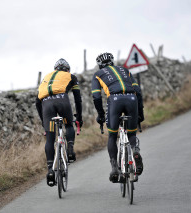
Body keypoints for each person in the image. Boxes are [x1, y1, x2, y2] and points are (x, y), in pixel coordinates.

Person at [91, 52, 144, 183]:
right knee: (132, 133)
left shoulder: (98, 75)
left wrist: (101, 115)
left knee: (112, 135)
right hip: (132, 98)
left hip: (114, 100)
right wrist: (140, 114)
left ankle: (115, 168)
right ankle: (135, 151)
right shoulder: (125, 70)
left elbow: (96, 96)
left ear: (100, 65)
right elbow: (138, 91)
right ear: (112, 62)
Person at [35, 58, 83, 187]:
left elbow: (37, 102)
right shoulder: (71, 76)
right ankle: (70, 149)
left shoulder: (46, 77)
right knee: (68, 124)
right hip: (62, 100)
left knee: (50, 140)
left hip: (46, 104)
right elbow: (78, 99)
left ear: (55, 69)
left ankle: (50, 169)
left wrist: (43, 122)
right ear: (67, 70)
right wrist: (79, 117)